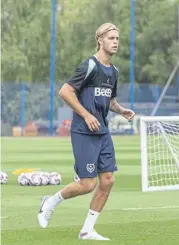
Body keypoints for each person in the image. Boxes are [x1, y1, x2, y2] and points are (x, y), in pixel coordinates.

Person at [38, 23, 135, 240]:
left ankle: (87, 230)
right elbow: (65, 91)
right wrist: (86, 114)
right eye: (111, 38)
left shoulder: (114, 71)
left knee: (108, 180)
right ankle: (50, 201)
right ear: (100, 40)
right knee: (88, 184)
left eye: (118, 38)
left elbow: (109, 100)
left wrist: (121, 110)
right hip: (83, 131)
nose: (116, 42)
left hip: (103, 132)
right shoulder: (89, 66)